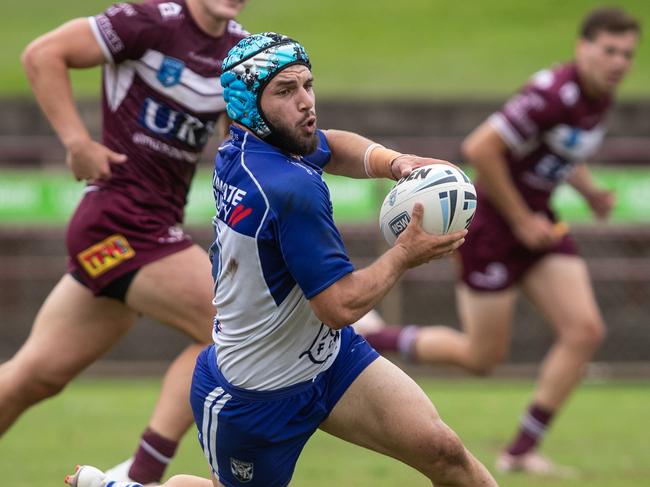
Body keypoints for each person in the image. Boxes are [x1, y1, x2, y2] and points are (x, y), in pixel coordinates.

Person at [65, 32, 499, 487]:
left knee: (444, 452)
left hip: (331, 362)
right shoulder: (286, 189)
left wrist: (394, 163)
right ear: (250, 105)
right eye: (286, 91)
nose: (306, 102)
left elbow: (329, 144)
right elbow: (338, 307)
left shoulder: (249, 146)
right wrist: (405, 256)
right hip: (254, 400)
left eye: (307, 85)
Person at [355, 6, 641, 476]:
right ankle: (374, 334)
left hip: (539, 223)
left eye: (626, 54)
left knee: (585, 330)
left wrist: (588, 192)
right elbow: (480, 148)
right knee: (482, 357)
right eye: (609, 50)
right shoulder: (553, 93)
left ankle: (521, 450)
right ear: (583, 48)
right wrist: (522, 218)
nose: (618, 62)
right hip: (493, 228)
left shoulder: (598, 98)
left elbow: (567, 151)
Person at [1, 1, 250, 484]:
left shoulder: (240, 53)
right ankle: (140, 475)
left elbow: (238, 147)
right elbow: (42, 54)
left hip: (147, 232)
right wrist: (77, 142)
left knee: (32, 378)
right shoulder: (150, 21)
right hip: (119, 223)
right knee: (231, 324)